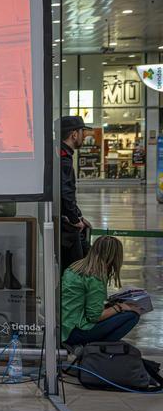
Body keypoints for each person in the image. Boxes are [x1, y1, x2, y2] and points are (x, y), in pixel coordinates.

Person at [62, 236, 142, 346]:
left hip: (65, 328)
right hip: (76, 331)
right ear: (114, 256)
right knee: (132, 315)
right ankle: (99, 349)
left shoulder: (75, 268)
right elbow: (95, 317)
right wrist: (119, 307)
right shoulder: (95, 276)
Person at [60, 115, 92, 267]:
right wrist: (74, 220)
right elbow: (65, 193)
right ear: (74, 135)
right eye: (82, 132)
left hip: (66, 220)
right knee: (76, 268)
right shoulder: (63, 159)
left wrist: (79, 216)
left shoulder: (61, 154)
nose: (84, 136)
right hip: (66, 227)